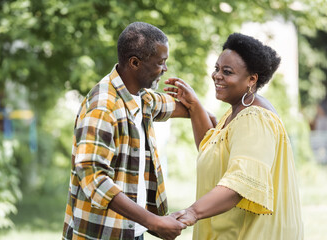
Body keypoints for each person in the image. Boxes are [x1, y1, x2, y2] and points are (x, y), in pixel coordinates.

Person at [164, 33, 303, 239]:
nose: (217, 75)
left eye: (227, 71)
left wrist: (191, 213)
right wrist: (194, 106)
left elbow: (241, 183)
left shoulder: (254, 117)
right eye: (216, 68)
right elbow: (212, 150)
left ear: (252, 79)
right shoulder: (236, 112)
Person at [62, 22, 188, 240]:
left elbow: (176, 106)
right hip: (101, 235)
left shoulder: (141, 98)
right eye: (161, 62)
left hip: (130, 232)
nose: (165, 69)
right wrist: (155, 221)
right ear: (135, 63)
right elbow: (94, 178)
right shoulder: (103, 107)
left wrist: (195, 104)